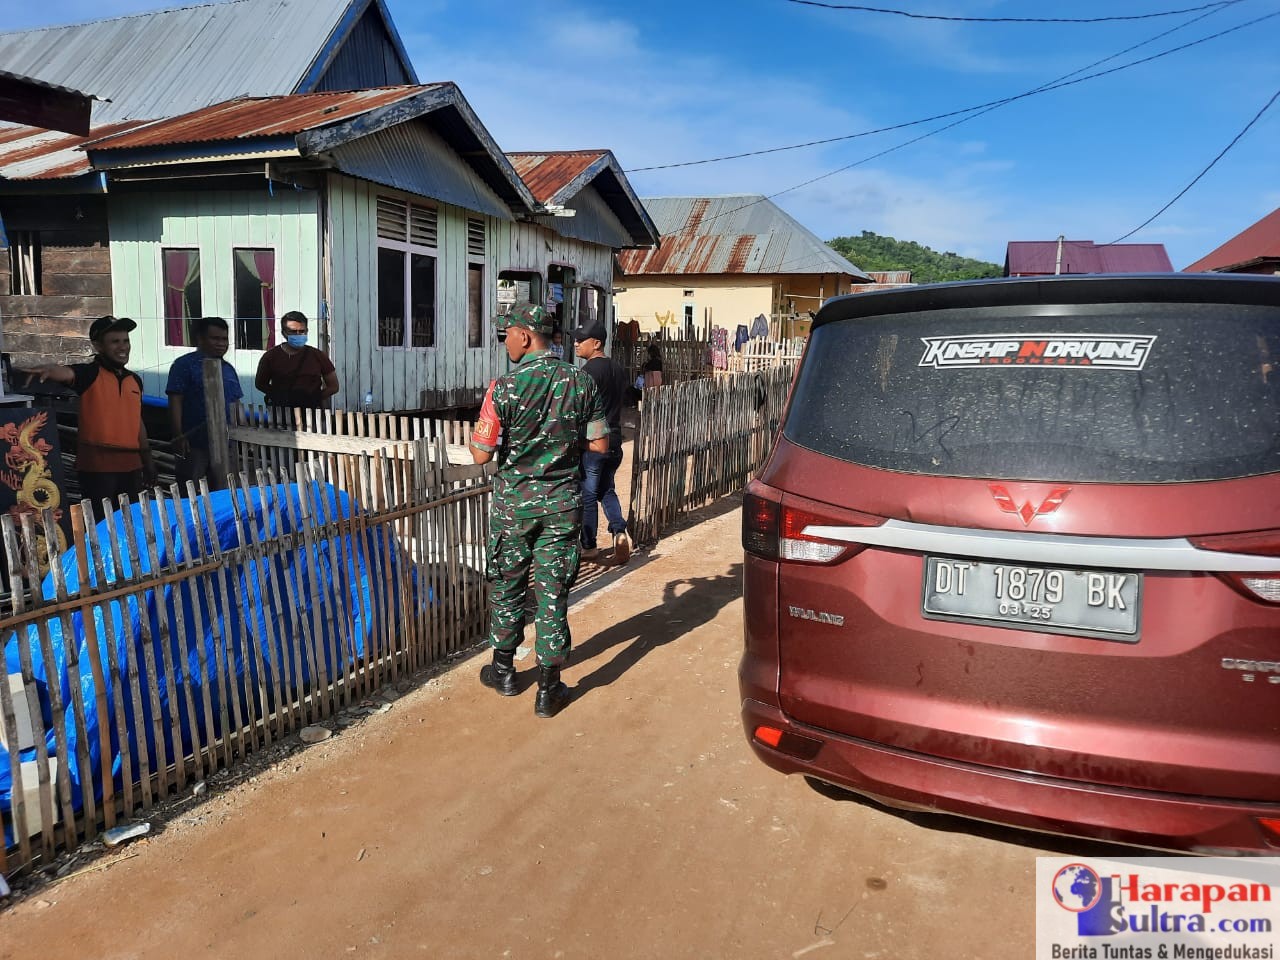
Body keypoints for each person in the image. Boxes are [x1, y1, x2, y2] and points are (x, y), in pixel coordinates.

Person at [469, 302, 608, 719]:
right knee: (553, 593)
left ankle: (504, 672)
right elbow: (599, 445)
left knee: (509, 585)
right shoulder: (581, 383)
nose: (504, 341)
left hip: (514, 507)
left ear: (525, 336)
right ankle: (548, 690)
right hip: (562, 505)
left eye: (506, 333)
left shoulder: (504, 388)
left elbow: (480, 454)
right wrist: (561, 446)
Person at [19, 315, 155, 506]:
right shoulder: (89, 374)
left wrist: (147, 461)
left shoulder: (135, 380)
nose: (123, 347)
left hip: (132, 467)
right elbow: (67, 373)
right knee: (101, 526)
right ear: (98, 346)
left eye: (126, 341)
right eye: (115, 342)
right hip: (98, 469)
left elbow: (136, 421)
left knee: (131, 524)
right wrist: (51, 369)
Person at [571, 320, 631, 564]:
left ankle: (589, 545)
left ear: (596, 344)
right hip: (615, 439)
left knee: (587, 493)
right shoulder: (619, 369)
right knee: (606, 489)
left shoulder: (587, 374)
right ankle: (619, 531)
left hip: (594, 442)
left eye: (580, 340)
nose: (575, 344)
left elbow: (578, 409)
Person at [165, 316, 243, 490]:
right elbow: (175, 400)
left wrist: (241, 434)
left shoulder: (228, 369)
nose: (221, 343)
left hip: (225, 444)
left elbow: (236, 403)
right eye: (215, 338)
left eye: (224, 339)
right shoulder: (184, 365)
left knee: (224, 490)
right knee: (191, 490)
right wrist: (178, 434)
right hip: (194, 444)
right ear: (200, 339)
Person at [253, 310, 339, 413]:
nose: (298, 335)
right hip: (282, 416)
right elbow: (260, 384)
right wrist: (280, 396)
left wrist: (314, 399)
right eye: (293, 332)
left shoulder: (318, 355)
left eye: (302, 331)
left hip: (312, 415)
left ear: (307, 331)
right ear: (284, 333)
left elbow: (334, 386)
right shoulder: (270, 357)